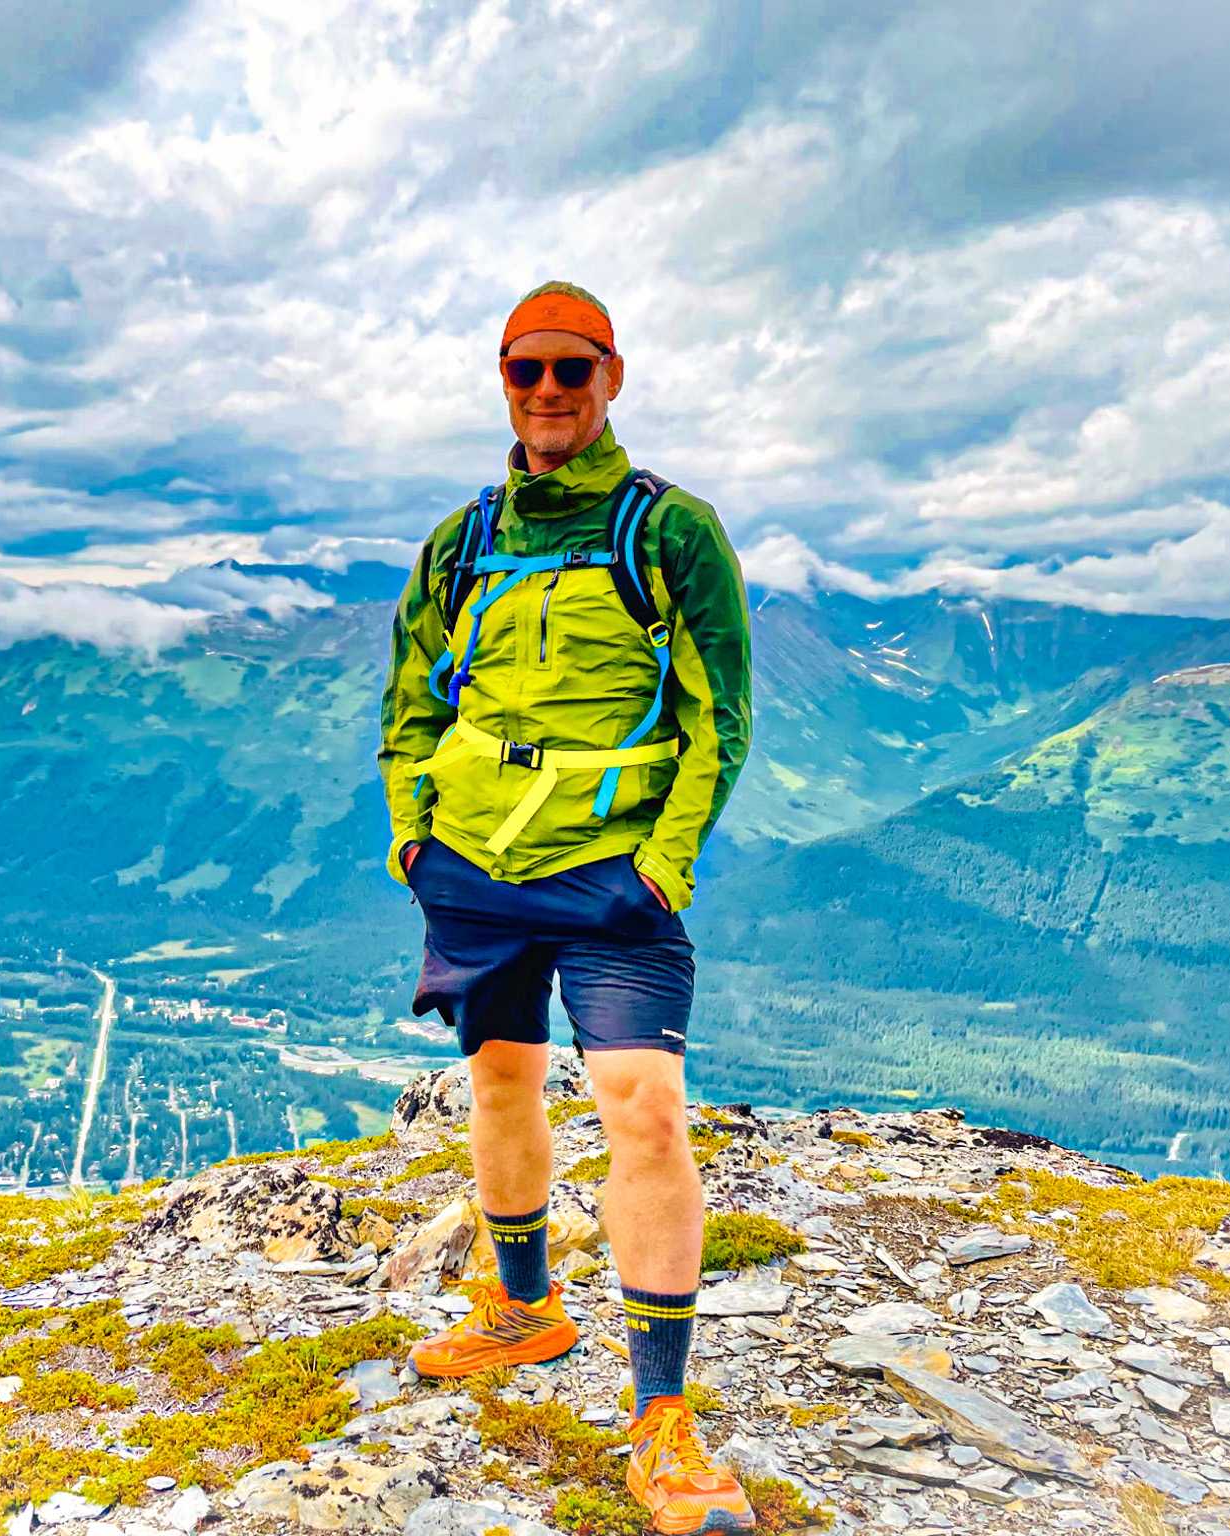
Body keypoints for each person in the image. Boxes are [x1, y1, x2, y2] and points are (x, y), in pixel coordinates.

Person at [377, 281, 755, 1535]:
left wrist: (667, 863)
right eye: (525, 370)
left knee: (642, 1109)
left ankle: (659, 1415)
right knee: (497, 1083)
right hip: (473, 863)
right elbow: (413, 699)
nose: (548, 391)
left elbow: (720, 717)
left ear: (612, 376)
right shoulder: (463, 538)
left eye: (571, 369)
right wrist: (411, 830)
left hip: (613, 880)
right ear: (502, 380)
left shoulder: (670, 533)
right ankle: (525, 1311)